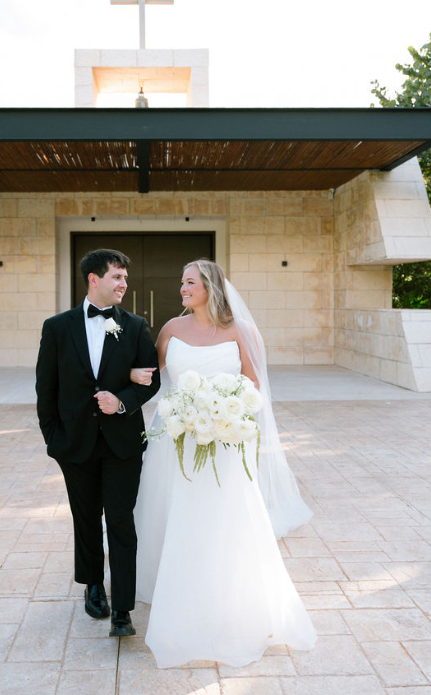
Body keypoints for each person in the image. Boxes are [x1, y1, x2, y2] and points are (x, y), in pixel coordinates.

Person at [131, 259, 316, 668]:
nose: (182, 288)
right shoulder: (171, 329)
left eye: (189, 282)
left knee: (221, 512)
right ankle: (167, 579)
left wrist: (222, 413)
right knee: (168, 507)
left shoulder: (241, 331)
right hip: (174, 437)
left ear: (210, 287)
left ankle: (224, 583)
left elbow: (253, 383)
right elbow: (150, 375)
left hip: (225, 437)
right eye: (182, 282)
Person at [35, 249, 160, 638]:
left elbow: (151, 380)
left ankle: (123, 608)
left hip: (123, 443)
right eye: (117, 277)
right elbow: (46, 388)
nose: (124, 284)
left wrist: (121, 401)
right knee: (86, 517)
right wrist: (53, 438)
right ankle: (93, 585)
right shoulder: (57, 327)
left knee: (121, 521)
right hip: (75, 443)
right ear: (93, 279)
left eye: (125, 277)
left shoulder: (135, 326)